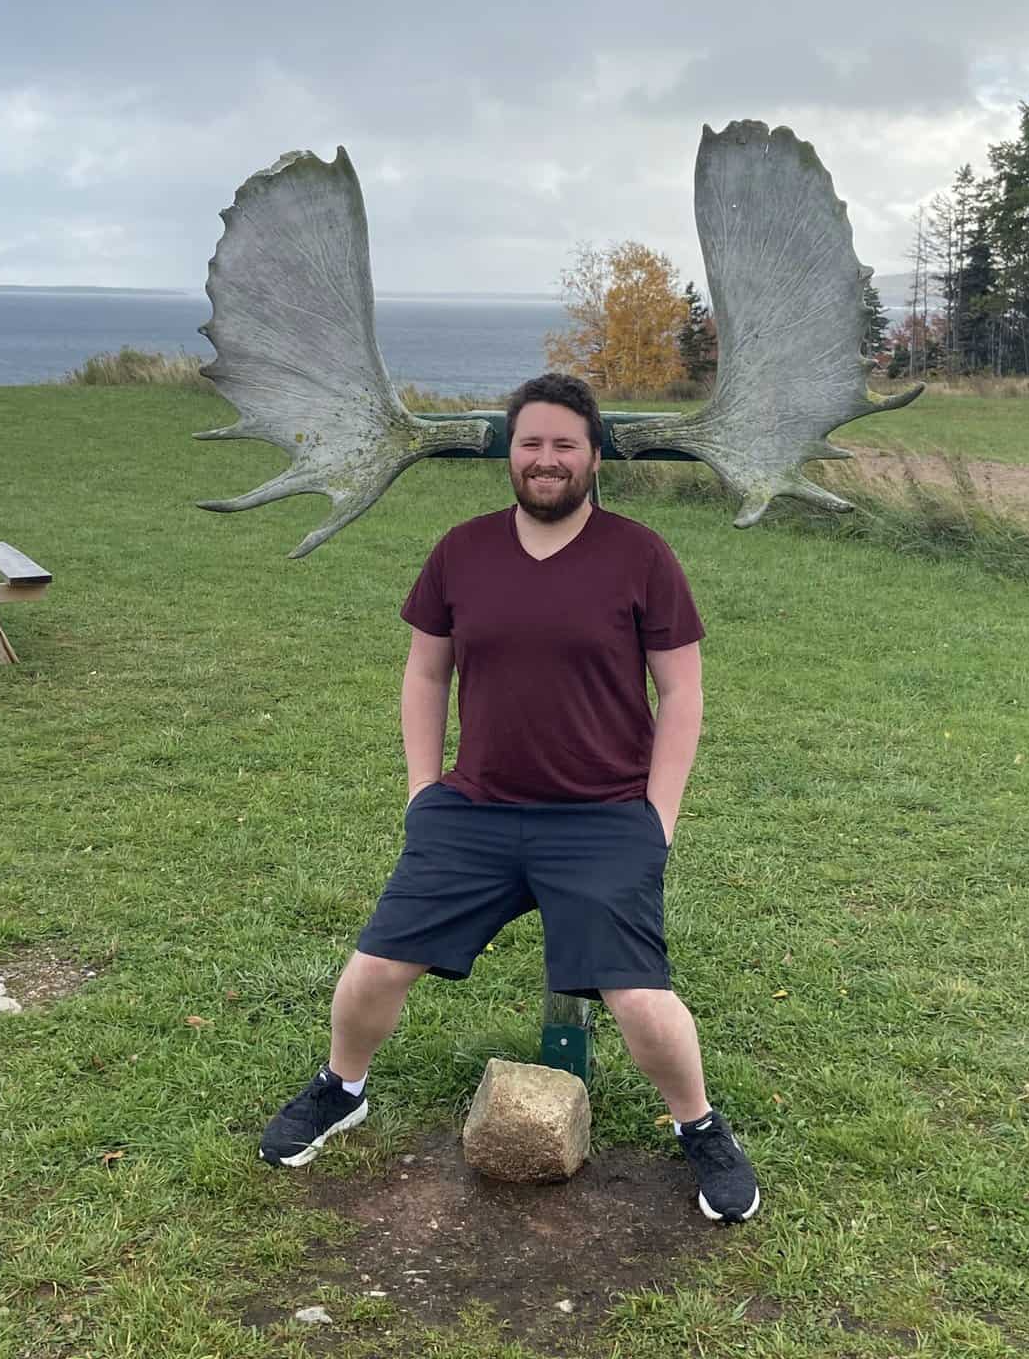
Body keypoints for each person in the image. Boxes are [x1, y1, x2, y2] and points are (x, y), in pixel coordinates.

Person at [260, 372, 759, 1223]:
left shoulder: (641, 555)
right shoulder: (462, 549)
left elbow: (683, 694)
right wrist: (424, 790)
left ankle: (700, 1127)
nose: (546, 459)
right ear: (509, 452)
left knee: (641, 1000)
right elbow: (425, 671)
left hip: (603, 817)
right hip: (476, 810)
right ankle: (343, 1089)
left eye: (566, 444)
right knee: (375, 967)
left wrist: (658, 817)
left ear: (595, 457)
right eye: (531, 442)